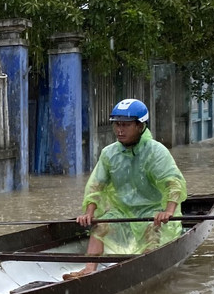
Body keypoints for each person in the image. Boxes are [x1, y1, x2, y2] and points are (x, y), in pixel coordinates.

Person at [63, 98, 187, 280]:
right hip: (122, 212)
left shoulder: (156, 152)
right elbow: (96, 186)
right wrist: (89, 213)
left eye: (126, 125)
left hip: (152, 212)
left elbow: (173, 183)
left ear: (140, 126)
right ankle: (89, 269)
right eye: (117, 125)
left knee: (152, 232)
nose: (119, 130)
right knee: (100, 226)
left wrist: (168, 211)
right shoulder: (109, 153)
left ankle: (142, 271)